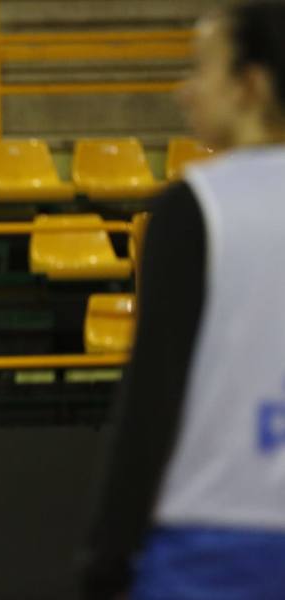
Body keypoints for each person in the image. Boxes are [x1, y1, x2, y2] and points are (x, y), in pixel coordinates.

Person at [80, 1, 285, 598]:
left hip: (215, 539)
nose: (184, 90)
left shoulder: (195, 207)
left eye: (201, 68)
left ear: (250, 84)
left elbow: (155, 391)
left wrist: (108, 551)